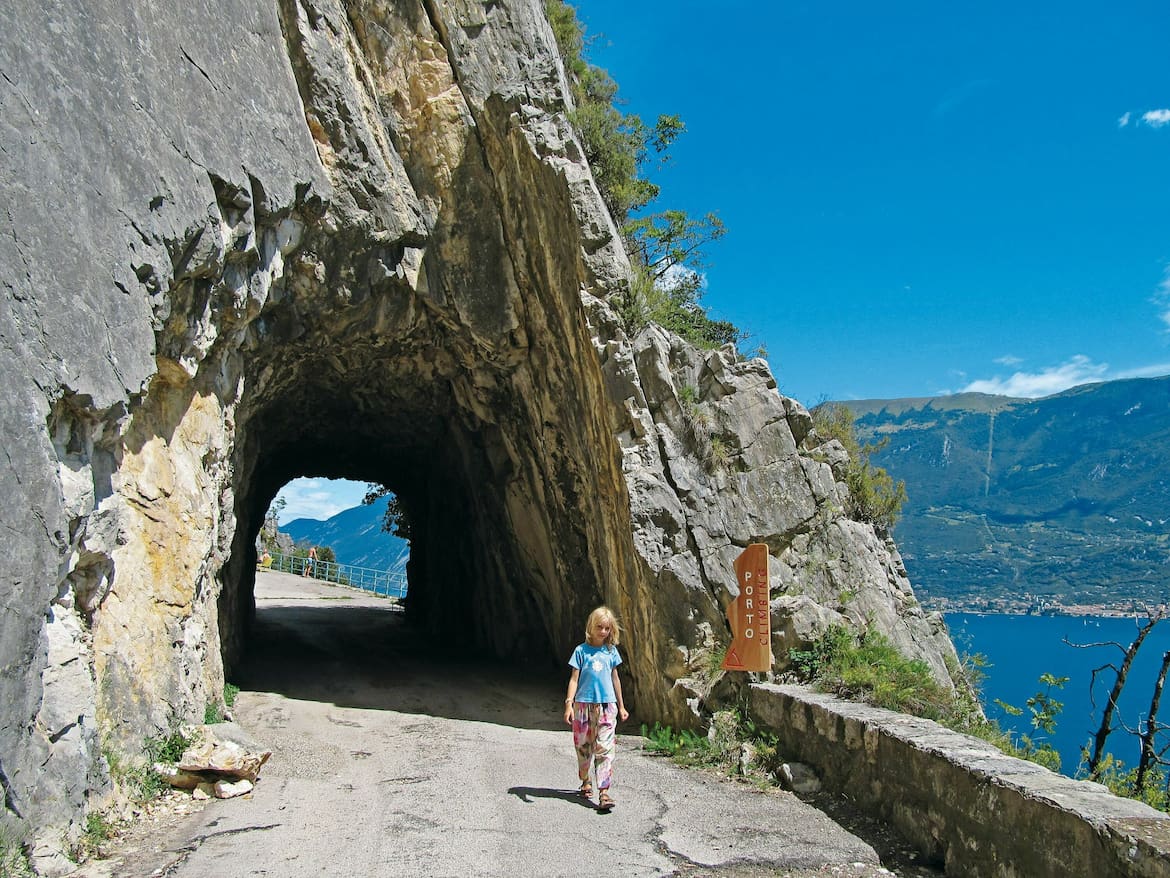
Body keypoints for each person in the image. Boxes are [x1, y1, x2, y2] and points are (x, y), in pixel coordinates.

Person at [563, 605, 629, 812]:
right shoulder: (581, 651)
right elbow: (574, 679)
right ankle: (585, 780)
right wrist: (569, 703)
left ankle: (604, 792)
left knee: (605, 747)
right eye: (599, 627)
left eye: (607, 628)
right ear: (591, 626)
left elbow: (615, 678)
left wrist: (621, 705)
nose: (603, 632)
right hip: (583, 706)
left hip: (607, 706)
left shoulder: (611, 652)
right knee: (583, 748)